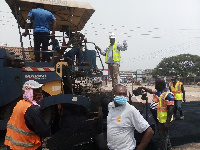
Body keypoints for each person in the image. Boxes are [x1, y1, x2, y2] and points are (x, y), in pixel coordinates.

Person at [4, 80, 51, 150]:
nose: (40, 93)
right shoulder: (33, 110)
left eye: (40, 90)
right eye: (36, 91)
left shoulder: (19, 103)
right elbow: (45, 131)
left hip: (12, 146)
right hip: (26, 147)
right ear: (29, 92)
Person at [107, 84, 154, 150]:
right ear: (113, 94)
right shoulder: (110, 106)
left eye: (124, 94)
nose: (122, 96)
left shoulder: (130, 110)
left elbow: (150, 132)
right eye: (119, 94)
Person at [139, 78, 174, 150]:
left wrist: (167, 122)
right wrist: (143, 88)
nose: (155, 86)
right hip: (158, 117)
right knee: (164, 134)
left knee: (163, 135)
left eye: (156, 85)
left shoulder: (168, 95)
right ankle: (168, 147)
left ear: (160, 85)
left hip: (163, 119)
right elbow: (150, 91)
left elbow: (170, 110)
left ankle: (163, 148)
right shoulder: (158, 92)